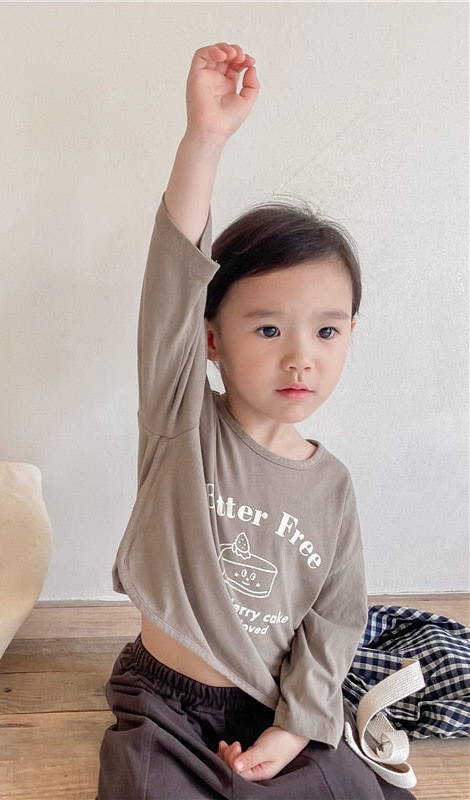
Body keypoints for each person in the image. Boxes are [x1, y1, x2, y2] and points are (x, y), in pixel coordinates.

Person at [97, 43, 415, 799]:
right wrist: (204, 140)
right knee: (145, 784)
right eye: (268, 329)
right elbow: (173, 281)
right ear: (210, 339)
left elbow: (334, 621)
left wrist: (294, 727)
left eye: (327, 331)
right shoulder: (182, 422)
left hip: (266, 701)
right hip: (166, 701)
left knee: (357, 789)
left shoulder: (332, 487)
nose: (301, 357)